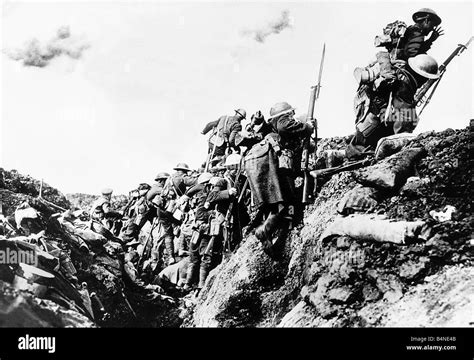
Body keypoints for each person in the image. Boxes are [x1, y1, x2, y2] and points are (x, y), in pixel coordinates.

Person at [244, 102, 313, 256]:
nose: (293, 118)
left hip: (262, 164)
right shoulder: (283, 121)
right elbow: (285, 127)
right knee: (288, 201)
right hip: (273, 162)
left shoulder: (271, 128)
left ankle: (275, 238)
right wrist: (307, 127)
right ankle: (266, 229)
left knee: (278, 203)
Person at [346, 54, 440, 160]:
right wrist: (403, 140)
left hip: (364, 103)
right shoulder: (405, 82)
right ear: (422, 76)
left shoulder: (401, 69)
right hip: (369, 111)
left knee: (379, 131)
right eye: (426, 78)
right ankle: (351, 155)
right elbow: (405, 113)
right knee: (364, 147)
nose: (426, 81)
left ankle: (342, 154)